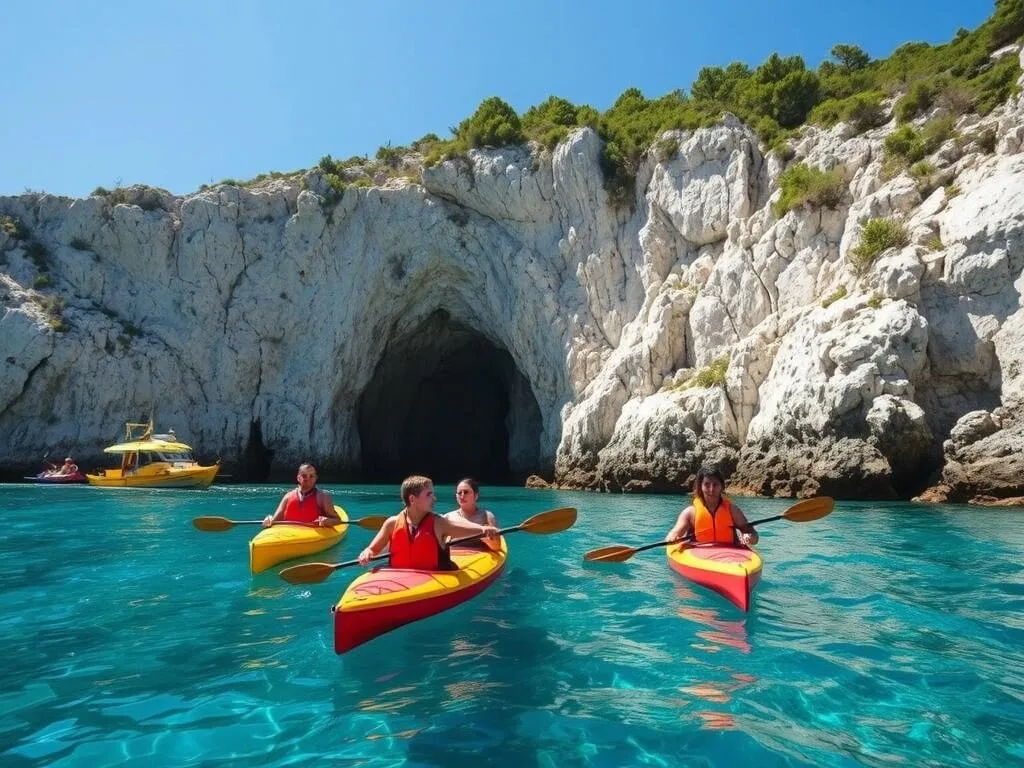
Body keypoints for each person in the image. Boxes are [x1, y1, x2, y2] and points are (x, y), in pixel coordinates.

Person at [358, 475, 499, 569]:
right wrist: (366, 553)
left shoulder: (439, 523)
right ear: (413, 499)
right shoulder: (391, 523)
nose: (434, 499)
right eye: (429, 494)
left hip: (435, 577)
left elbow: (464, 528)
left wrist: (482, 529)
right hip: (402, 575)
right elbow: (373, 549)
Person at [665, 465, 759, 547]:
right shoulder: (690, 513)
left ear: (721, 486)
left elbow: (753, 535)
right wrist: (672, 537)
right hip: (699, 554)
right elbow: (676, 531)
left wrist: (749, 537)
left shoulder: (732, 511)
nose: (711, 489)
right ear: (700, 486)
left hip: (729, 555)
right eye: (707, 484)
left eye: (715, 484)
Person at [262, 463, 341, 528]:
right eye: (304, 475)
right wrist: (268, 520)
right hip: (287, 533)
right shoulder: (288, 496)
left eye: (311, 476)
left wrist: (327, 521)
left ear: (316, 478)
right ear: (298, 478)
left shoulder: (323, 497)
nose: (308, 478)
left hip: (311, 535)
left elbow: (337, 520)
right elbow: (275, 521)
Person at [444, 478, 500, 551]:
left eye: (466, 492)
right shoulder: (447, 517)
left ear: (476, 496)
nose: (462, 495)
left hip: (480, 557)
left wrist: (487, 537)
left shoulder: (487, 516)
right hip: (455, 556)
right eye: (459, 493)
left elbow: (496, 547)